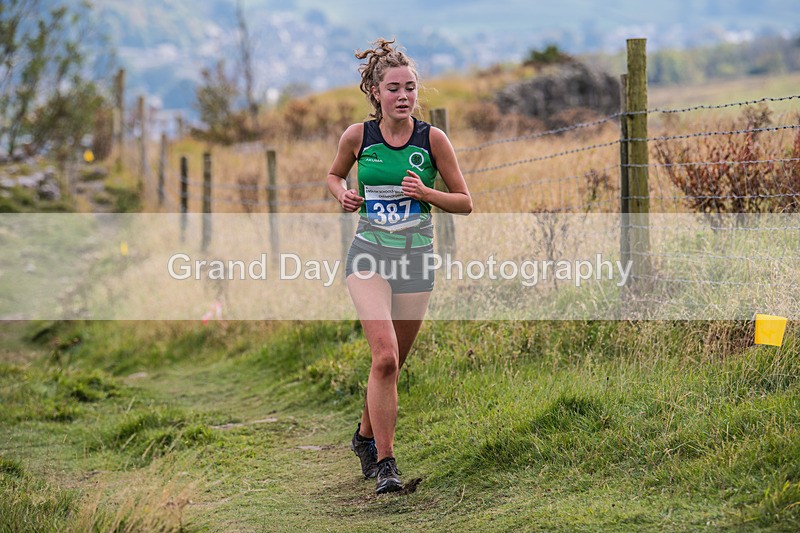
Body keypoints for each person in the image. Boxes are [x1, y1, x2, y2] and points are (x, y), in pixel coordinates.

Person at [326, 38, 472, 494]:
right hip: (368, 254)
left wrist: (427, 194)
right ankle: (386, 464)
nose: (404, 96)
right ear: (374, 91)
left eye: (410, 87)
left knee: (392, 364)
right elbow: (333, 175)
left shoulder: (432, 139)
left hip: (415, 258)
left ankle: (364, 436)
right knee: (384, 355)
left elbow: (465, 202)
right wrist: (343, 195)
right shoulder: (357, 137)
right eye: (393, 88)